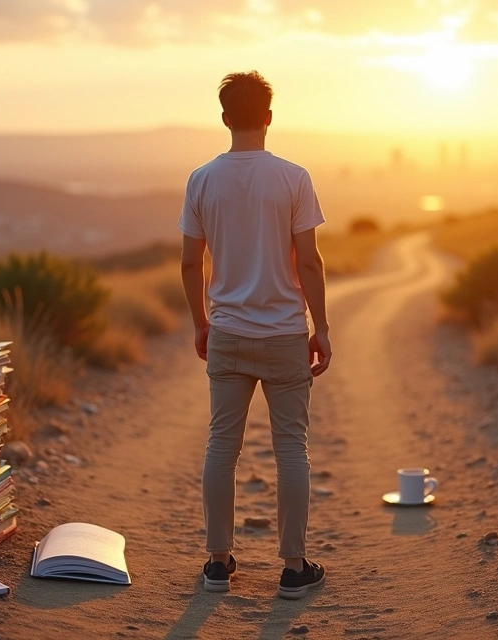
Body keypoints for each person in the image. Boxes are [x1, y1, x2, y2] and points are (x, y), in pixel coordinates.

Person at [179, 70, 331, 599]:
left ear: (225, 119)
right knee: (291, 450)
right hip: (285, 335)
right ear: (268, 117)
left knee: (222, 446)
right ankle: (293, 568)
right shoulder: (294, 178)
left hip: (226, 331)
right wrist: (321, 328)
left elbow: (189, 263)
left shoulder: (201, 179)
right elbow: (308, 262)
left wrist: (201, 323)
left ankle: (217, 563)